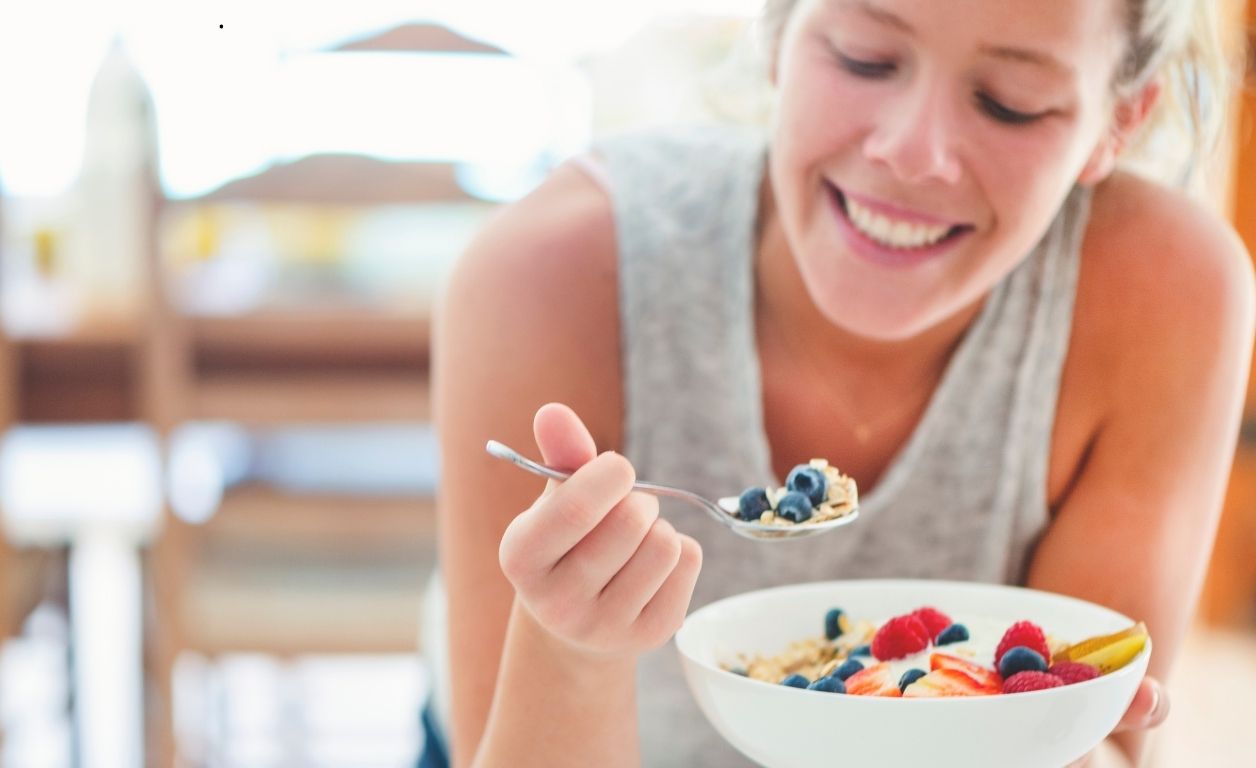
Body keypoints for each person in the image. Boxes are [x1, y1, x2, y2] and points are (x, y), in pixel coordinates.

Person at [421, 0, 1254, 765]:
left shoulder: (1165, 295)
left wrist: (1058, 740)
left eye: (1008, 101)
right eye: (863, 58)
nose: (911, 151)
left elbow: (1097, 738)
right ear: (777, 34)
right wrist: (571, 648)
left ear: (1118, 121)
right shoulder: (553, 273)